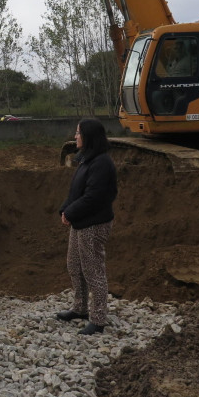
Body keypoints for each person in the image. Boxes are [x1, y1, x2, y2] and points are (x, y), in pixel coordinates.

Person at [55, 118, 117, 335]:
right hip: (80, 222)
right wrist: (65, 209)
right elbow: (76, 191)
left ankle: (98, 319)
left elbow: (94, 196)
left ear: (89, 136)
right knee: (74, 265)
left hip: (94, 224)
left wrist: (70, 213)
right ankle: (80, 308)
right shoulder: (86, 160)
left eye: (79, 132)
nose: (75, 136)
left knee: (93, 270)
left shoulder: (101, 163)